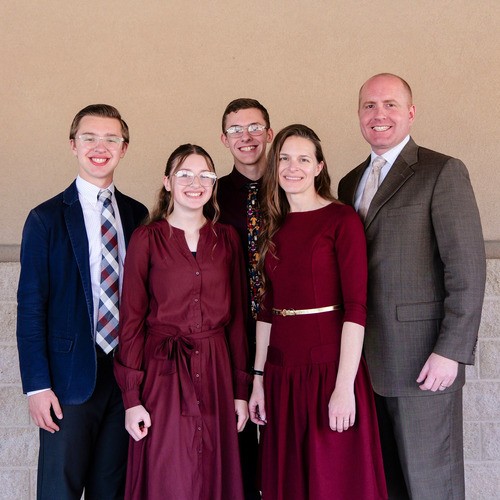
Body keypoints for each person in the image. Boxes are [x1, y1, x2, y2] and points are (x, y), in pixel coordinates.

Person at [338, 73, 486, 499]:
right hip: (365, 366)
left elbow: (466, 270)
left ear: (411, 112)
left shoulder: (442, 172)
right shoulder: (350, 183)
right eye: (369, 105)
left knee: (432, 485)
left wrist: (450, 351)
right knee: (385, 486)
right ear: (359, 114)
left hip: (423, 363)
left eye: (390, 104)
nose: (379, 114)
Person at [16, 104, 148, 499]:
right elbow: (30, 308)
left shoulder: (138, 215)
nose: (100, 147)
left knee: (113, 490)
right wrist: (36, 387)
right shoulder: (45, 218)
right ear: (73, 145)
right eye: (89, 138)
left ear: (124, 148)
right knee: (60, 490)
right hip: (67, 381)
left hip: (124, 379)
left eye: (111, 139)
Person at [248, 124, 387, 500]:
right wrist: (258, 379)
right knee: (289, 483)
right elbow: (266, 310)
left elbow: (356, 309)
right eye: (284, 158)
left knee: (334, 483)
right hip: (280, 374)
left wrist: (344, 387)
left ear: (319, 167)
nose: (292, 167)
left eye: (303, 159)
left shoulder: (341, 220)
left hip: (328, 372)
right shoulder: (271, 225)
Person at [114, 144, 251, 500]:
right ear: (167, 182)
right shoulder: (147, 238)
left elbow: (238, 321)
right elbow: (131, 322)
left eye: (205, 175)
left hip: (217, 371)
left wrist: (241, 391)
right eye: (185, 174)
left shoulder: (227, 240)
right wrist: (132, 398)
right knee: (168, 474)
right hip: (162, 373)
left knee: (213, 472)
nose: (195, 183)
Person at [217, 98, 274, 499]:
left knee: (278, 438)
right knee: (236, 444)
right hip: (230, 333)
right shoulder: (211, 194)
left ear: (269, 133)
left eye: (254, 127)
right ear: (224, 139)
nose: (246, 137)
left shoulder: (292, 184)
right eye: (236, 130)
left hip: (283, 330)